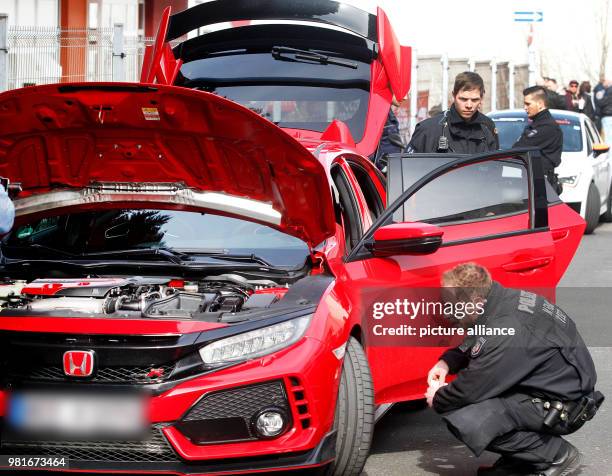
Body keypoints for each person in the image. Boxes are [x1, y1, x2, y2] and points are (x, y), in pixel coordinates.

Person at [425, 263, 604, 476]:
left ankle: (555, 455)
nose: (447, 312)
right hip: (555, 389)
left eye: (452, 306)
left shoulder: (509, 330)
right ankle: (522, 461)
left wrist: (438, 397)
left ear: (475, 302)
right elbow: (480, 336)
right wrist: (447, 362)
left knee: (466, 416)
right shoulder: (501, 301)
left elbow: (471, 388)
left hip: (563, 407)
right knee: (483, 401)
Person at [406, 72, 499, 154]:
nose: (469, 105)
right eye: (463, 99)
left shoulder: (487, 127)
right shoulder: (428, 130)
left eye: (474, 100)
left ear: (481, 99)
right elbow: (409, 167)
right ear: (454, 95)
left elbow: (495, 168)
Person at [513, 86, 563, 192]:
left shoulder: (547, 127)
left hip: (541, 185)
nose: (525, 108)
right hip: (532, 180)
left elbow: (517, 149)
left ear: (540, 104)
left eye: (528, 104)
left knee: (539, 209)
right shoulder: (537, 124)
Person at [594, 79, 612, 143]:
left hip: (607, 115)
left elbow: (601, 102)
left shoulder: (607, 91)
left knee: (608, 137)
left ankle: (610, 152)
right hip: (608, 115)